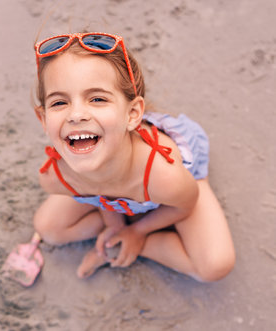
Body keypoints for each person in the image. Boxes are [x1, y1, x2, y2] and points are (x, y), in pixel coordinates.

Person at [32, 32, 235, 282]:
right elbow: (99, 197)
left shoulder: (164, 175)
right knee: (48, 228)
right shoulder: (55, 177)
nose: (76, 115)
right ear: (43, 119)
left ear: (132, 114)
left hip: (172, 183)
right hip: (120, 185)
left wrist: (137, 233)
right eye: (59, 103)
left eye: (97, 99)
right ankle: (116, 234)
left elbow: (185, 203)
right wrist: (115, 226)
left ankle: (136, 244)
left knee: (215, 266)